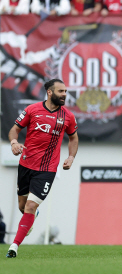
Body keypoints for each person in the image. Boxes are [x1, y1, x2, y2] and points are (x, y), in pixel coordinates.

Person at [6, 79, 79, 258]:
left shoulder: (67, 116)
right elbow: (14, 130)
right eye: (61, 91)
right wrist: (14, 143)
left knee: (30, 205)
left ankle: (14, 247)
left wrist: (70, 157)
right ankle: (33, 214)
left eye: (65, 91)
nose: (64, 94)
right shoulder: (32, 110)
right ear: (49, 92)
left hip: (47, 169)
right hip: (25, 164)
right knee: (23, 206)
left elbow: (73, 138)